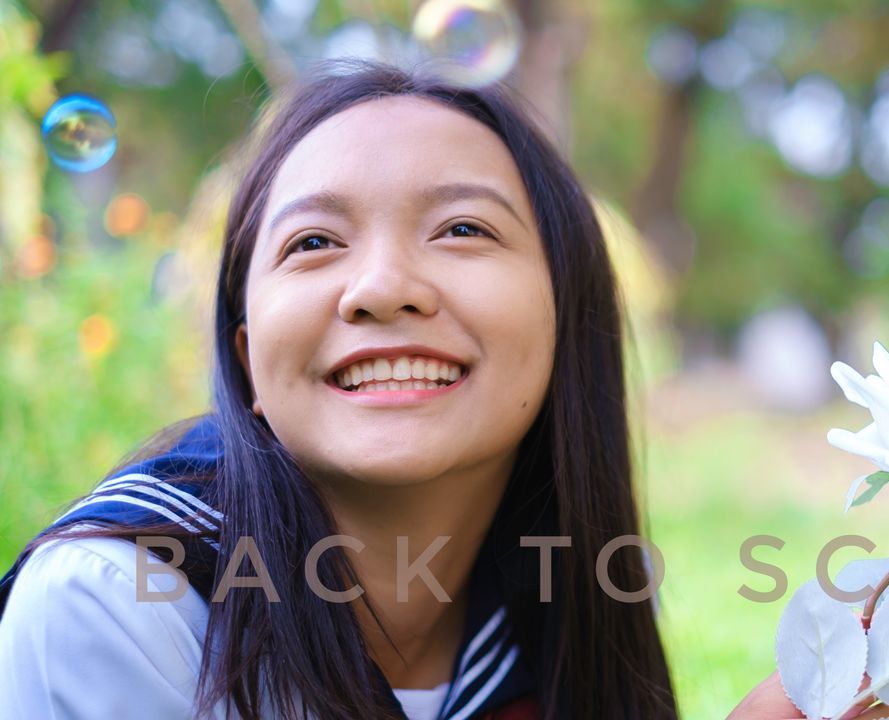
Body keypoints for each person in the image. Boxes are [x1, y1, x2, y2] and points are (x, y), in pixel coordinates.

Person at [0, 61, 675, 720]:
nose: (382, 289)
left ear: (566, 319)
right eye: (315, 241)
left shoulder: (571, 597)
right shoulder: (113, 607)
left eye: (463, 229)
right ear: (246, 360)